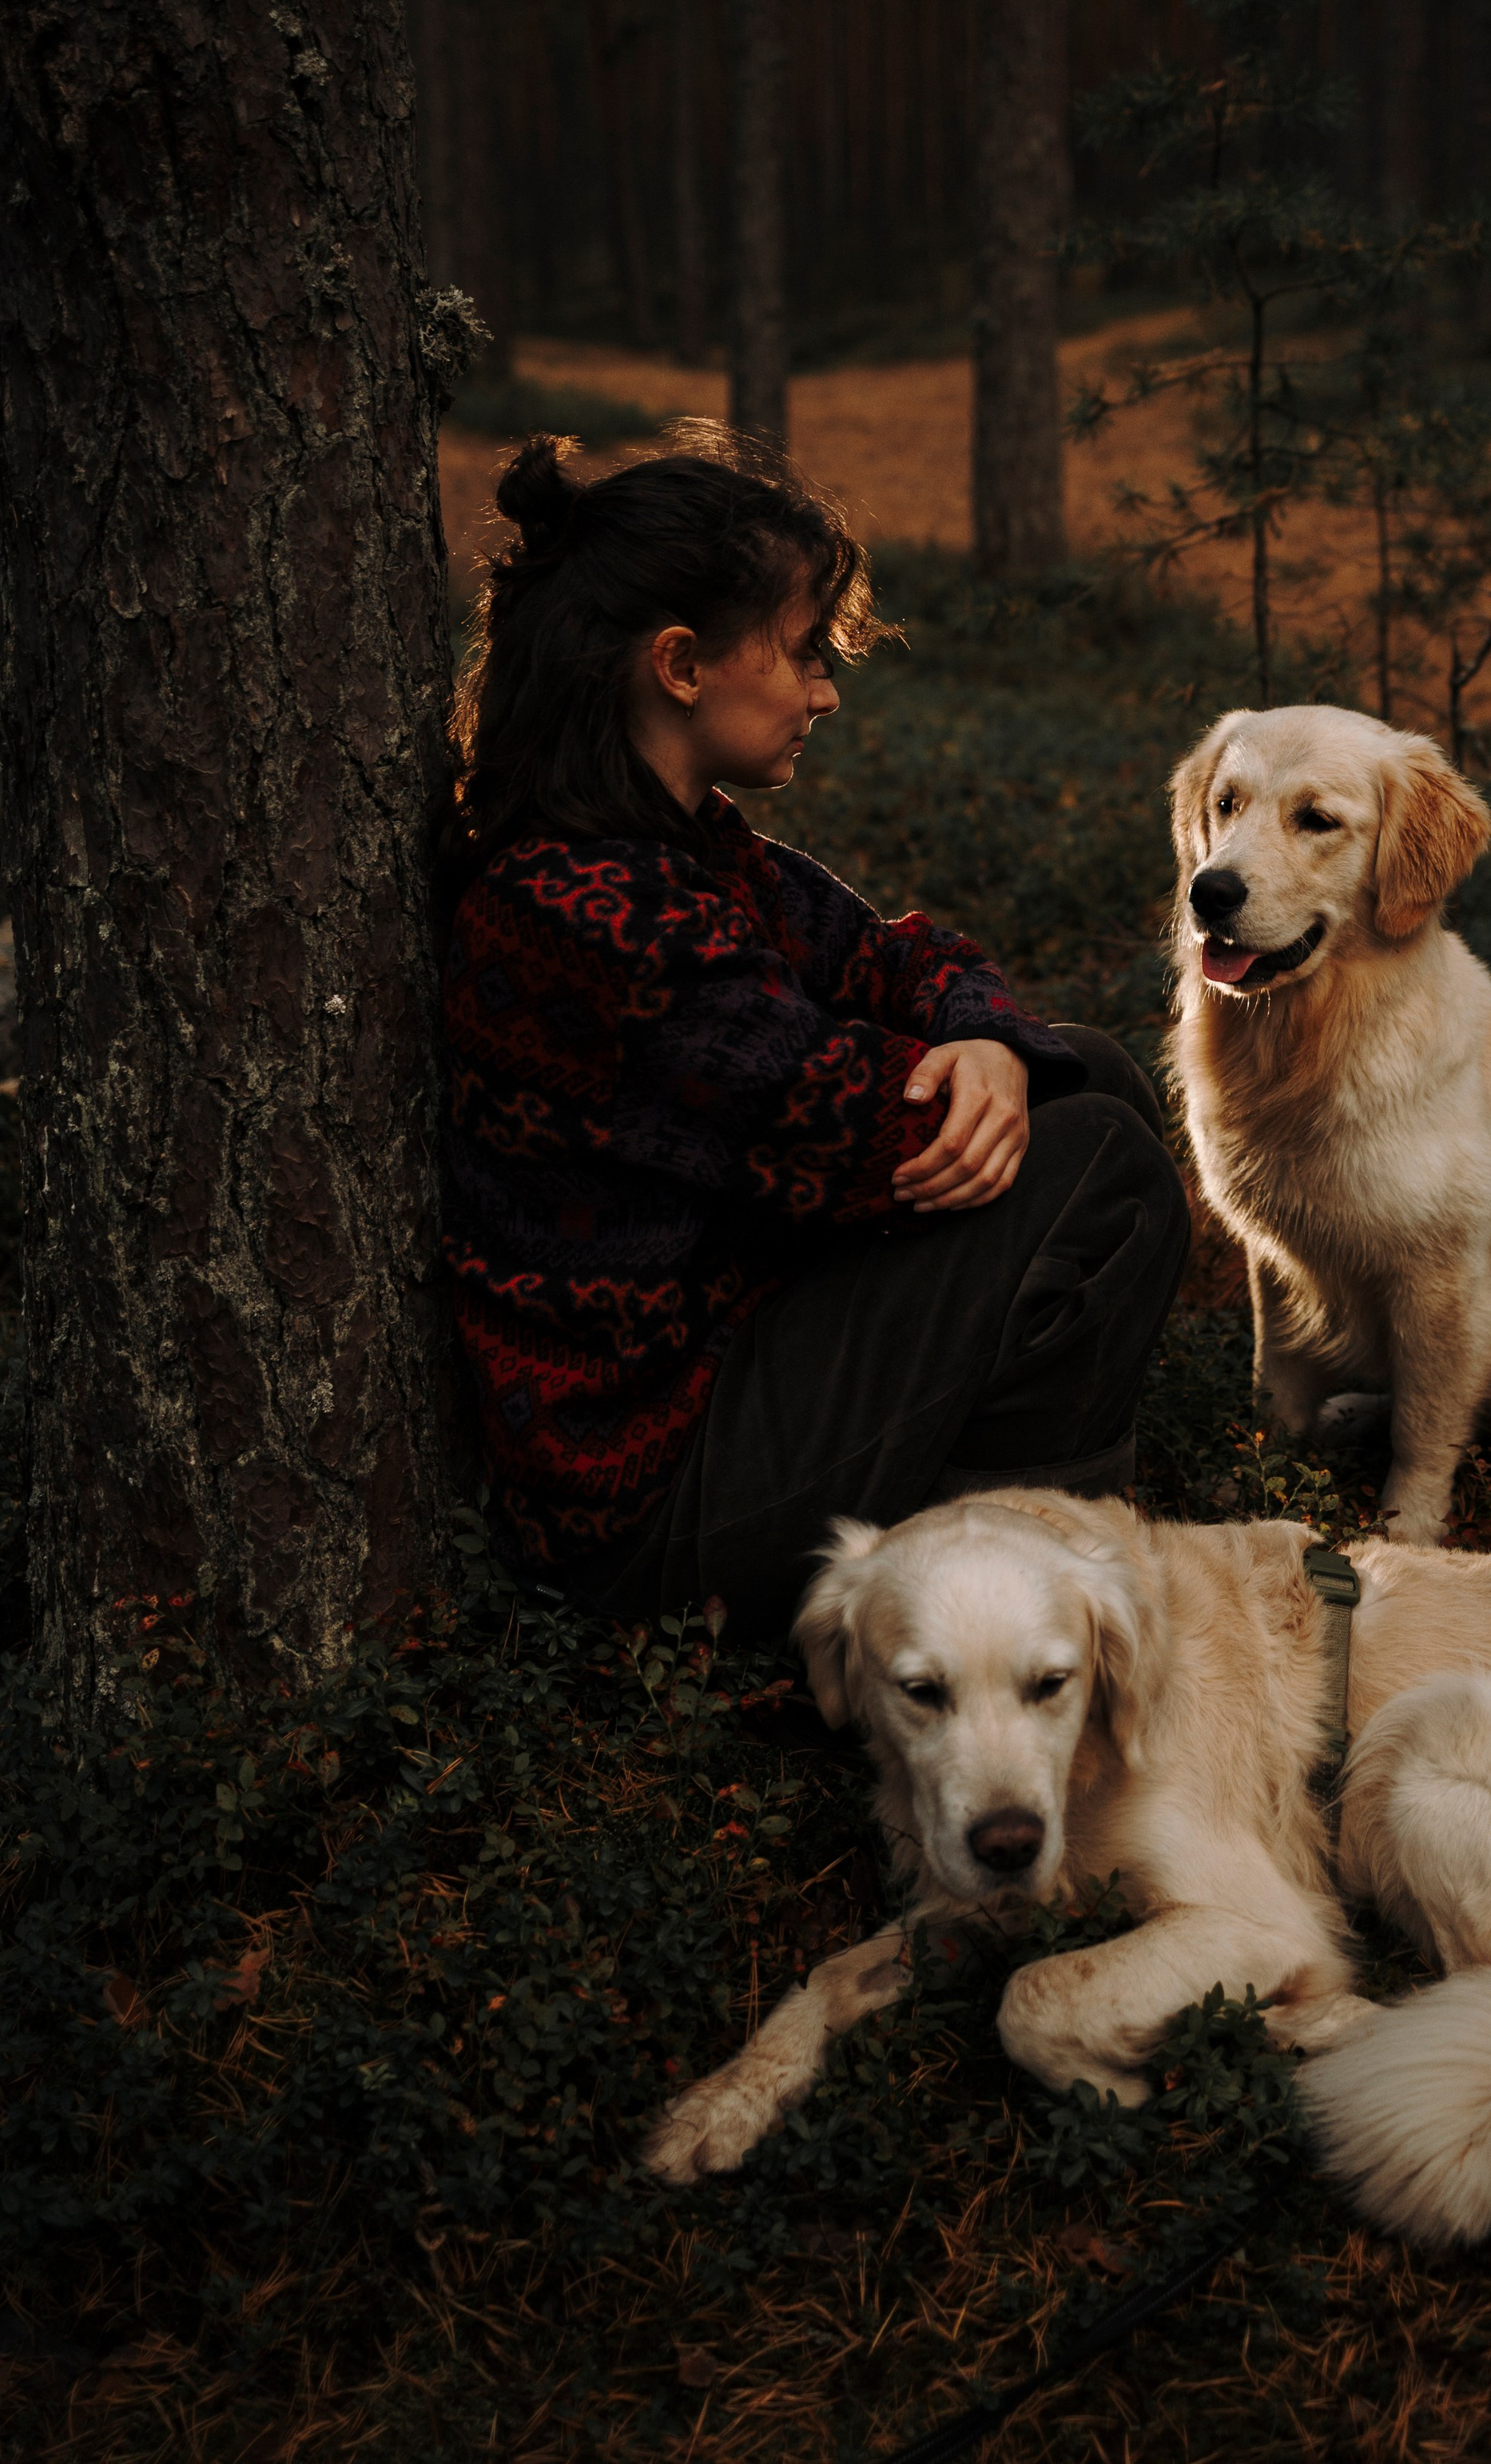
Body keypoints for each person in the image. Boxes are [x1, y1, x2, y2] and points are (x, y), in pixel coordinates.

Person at [441, 427, 1191, 1640]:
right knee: (1098, 1162)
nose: (826, 692)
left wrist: (991, 1039)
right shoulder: (582, 913)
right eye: (800, 655)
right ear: (681, 664)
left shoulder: (679, 848)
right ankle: (1008, 1614)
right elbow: (855, 1115)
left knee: (1082, 1075)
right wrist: (982, 1058)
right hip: (641, 1519)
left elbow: (894, 953)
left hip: (720, 1364)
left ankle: (999, 1559)